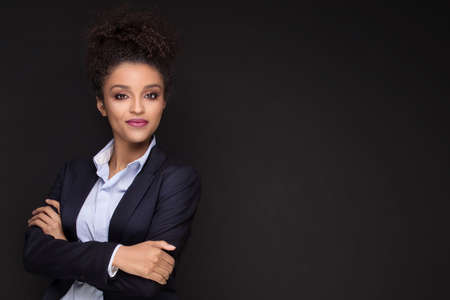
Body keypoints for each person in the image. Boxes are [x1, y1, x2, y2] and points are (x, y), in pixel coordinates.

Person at [22, 5, 201, 300]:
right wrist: (118, 257)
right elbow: (34, 254)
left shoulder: (177, 180)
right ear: (102, 105)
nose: (137, 108)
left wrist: (65, 248)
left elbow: (147, 283)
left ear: (163, 102)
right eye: (121, 95)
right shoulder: (74, 174)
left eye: (151, 95)